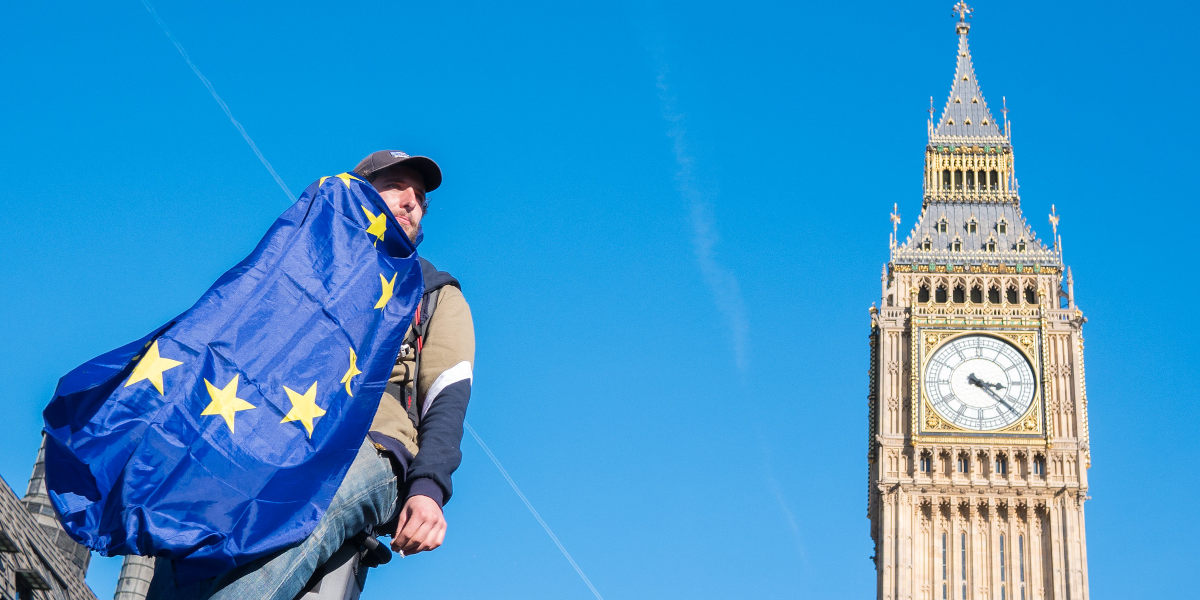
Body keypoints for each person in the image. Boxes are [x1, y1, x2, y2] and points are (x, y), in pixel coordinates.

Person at [146, 150, 475, 600]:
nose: (412, 202)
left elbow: (447, 396)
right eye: (397, 186)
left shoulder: (433, 292)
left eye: (420, 197)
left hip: (370, 444)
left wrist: (429, 489)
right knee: (186, 535)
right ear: (359, 192)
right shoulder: (304, 265)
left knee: (302, 514)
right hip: (269, 433)